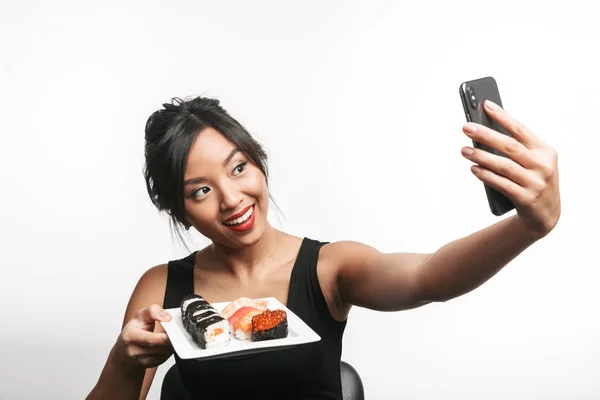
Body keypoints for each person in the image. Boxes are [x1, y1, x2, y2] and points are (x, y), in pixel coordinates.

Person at [87, 96, 560, 400]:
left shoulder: (329, 268)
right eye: (200, 191)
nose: (232, 199)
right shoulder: (162, 287)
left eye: (238, 169)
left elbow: (429, 277)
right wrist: (123, 361)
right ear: (179, 209)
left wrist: (528, 226)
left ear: (258, 163)